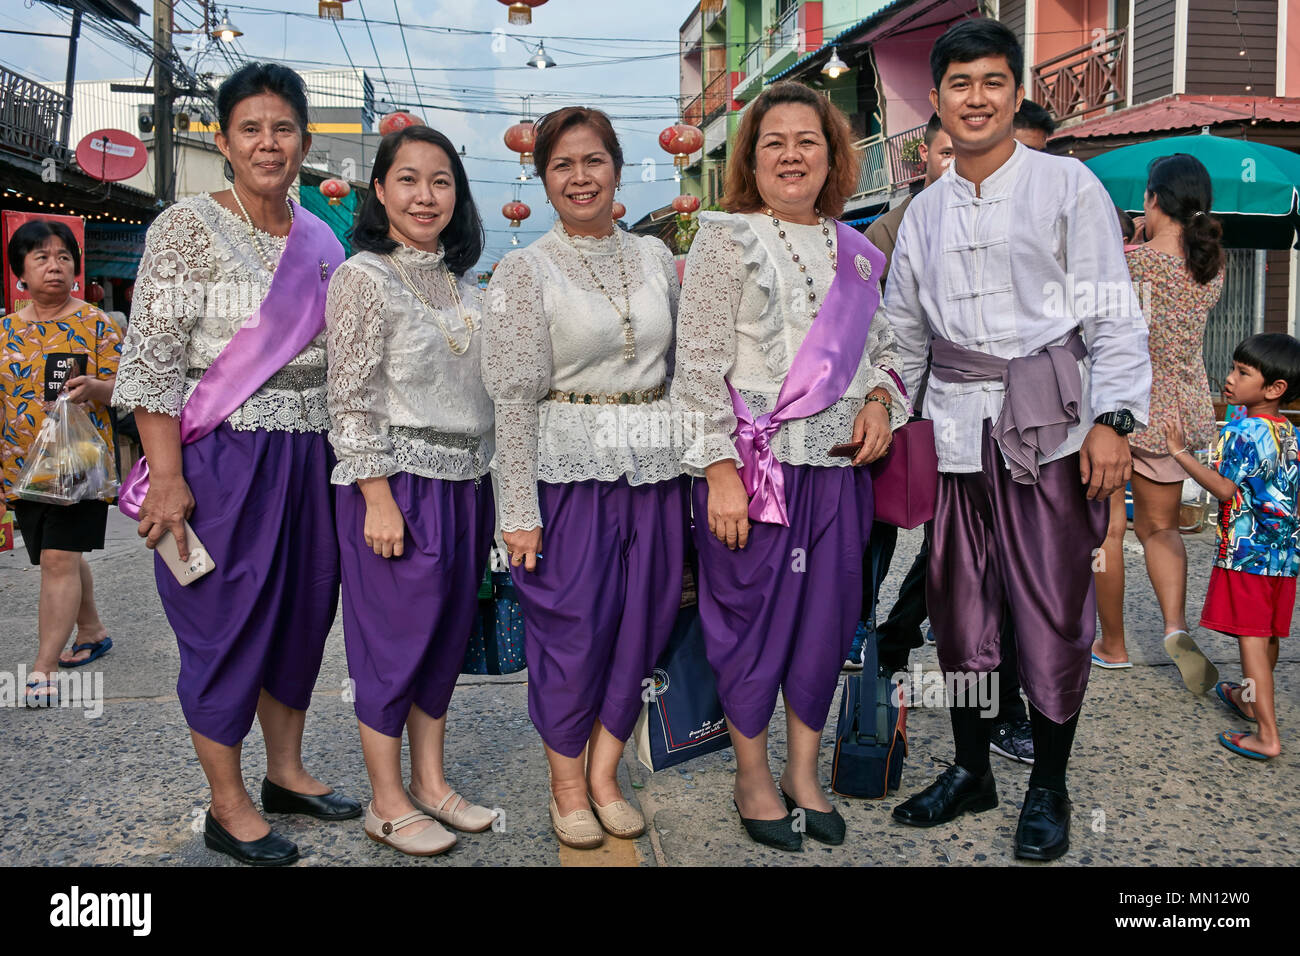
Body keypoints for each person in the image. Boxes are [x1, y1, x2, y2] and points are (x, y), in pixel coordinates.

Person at [885, 20, 1151, 862]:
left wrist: (1113, 421)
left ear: (1013, 90)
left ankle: (1048, 784)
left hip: (1053, 432)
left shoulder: (1068, 188)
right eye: (960, 84)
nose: (976, 98)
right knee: (960, 618)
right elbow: (900, 335)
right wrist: (884, 408)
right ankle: (971, 768)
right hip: (960, 438)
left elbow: (1112, 313)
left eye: (993, 81)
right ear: (937, 101)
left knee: (1051, 613)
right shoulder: (923, 212)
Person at [112, 63, 360, 867]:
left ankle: (286, 772)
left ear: (304, 142)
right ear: (222, 140)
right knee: (222, 625)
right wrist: (171, 476)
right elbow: (152, 365)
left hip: (309, 455)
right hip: (220, 456)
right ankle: (229, 804)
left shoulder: (322, 239)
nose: (267, 142)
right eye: (250, 128)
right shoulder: (186, 226)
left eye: (282, 128)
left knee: (299, 617)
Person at [675, 80, 908, 852]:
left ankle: (804, 773)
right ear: (751, 157)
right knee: (747, 623)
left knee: (825, 620)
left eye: (806, 140)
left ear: (833, 153)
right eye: (773, 141)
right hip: (755, 472)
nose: (790, 154)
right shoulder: (724, 239)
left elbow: (888, 354)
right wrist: (717, 473)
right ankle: (752, 774)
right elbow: (697, 367)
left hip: (838, 470)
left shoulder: (861, 253)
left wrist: (880, 399)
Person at [482, 106, 686, 850]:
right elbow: (510, 396)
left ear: (617, 170)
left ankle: (605, 773)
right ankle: (566, 786)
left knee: (646, 621)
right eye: (562, 165)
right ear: (542, 181)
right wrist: (518, 509)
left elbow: (682, 371)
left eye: (592, 161)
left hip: (655, 470)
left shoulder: (657, 259)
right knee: (571, 632)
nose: (579, 177)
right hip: (568, 473)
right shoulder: (523, 270)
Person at [326, 124, 496, 856]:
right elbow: (352, 396)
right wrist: (376, 495)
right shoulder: (363, 277)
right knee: (390, 648)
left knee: (442, 643)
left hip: (464, 486)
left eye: (441, 181)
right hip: (395, 485)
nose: (426, 195)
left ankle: (430, 781)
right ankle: (386, 799)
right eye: (409, 179)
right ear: (380, 191)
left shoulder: (465, 287)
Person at [1092, 154, 1225, 681]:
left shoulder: (1132, 264)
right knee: (1162, 528)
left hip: (1122, 405)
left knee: (1107, 533)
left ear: (1153, 198)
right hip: (1176, 412)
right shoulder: (1210, 265)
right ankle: (1174, 626)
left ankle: (1114, 643)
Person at [844, 112, 950, 669]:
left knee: (951, 535)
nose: (955, 163)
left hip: (965, 408)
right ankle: (860, 622)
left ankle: (908, 626)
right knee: (880, 524)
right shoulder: (886, 232)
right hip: (899, 406)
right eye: (945, 152)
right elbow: (869, 330)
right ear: (925, 157)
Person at [2, 220, 120, 706]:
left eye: (64, 257)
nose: (55, 266)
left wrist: (96, 389)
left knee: (56, 559)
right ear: (19, 273)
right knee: (57, 554)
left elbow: (130, 387)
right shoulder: (7, 330)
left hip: (79, 466)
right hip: (20, 468)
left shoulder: (97, 323)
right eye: (42, 257)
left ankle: (43, 668)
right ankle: (90, 629)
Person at [1166, 334, 1300, 760]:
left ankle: (1266, 734)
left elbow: (1224, 489)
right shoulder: (1289, 431)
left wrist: (1180, 453)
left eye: (1243, 373)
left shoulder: (1242, 429)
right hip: (1284, 556)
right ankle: (1247, 699)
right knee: (1270, 634)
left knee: (1252, 640)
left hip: (1248, 556)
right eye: (1233, 368)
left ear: (1274, 388)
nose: (1229, 378)